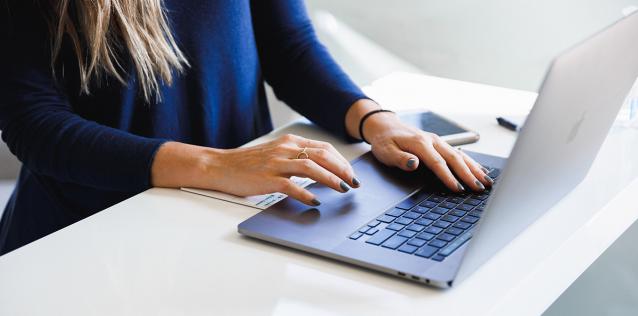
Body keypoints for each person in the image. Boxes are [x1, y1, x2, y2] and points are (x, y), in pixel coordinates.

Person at [0, 0, 492, 255]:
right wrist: (215, 164)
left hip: (232, 215)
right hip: (89, 235)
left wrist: (375, 121)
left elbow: (289, 46)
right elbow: (33, 123)